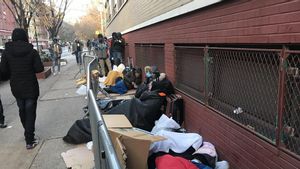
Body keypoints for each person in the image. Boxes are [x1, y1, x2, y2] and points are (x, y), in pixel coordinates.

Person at [0, 28, 44, 149]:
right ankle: (29, 139)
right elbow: (39, 69)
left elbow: (3, 71)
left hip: (16, 87)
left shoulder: (6, 52)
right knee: (30, 111)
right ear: (25, 37)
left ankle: (27, 133)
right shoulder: (32, 51)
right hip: (30, 86)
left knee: (22, 109)